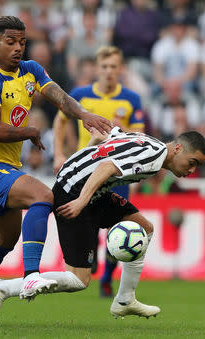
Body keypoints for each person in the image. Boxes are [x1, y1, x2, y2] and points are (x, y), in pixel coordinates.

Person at [0, 16, 112, 325]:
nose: (18, 48)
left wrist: (84, 114)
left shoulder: (31, 71)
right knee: (43, 196)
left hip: (6, 170)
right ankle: (31, 274)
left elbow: (59, 96)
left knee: (6, 240)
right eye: (11, 42)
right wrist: (30, 132)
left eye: (22, 42)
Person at [0, 128, 205, 325]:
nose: (191, 171)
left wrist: (93, 141)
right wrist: (81, 201)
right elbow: (107, 167)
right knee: (79, 280)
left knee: (145, 228)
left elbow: (114, 137)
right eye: (192, 163)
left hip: (92, 192)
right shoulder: (152, 156)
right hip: (74, 193)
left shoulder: (152, 144)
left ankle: (125, 299)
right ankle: (1, 289)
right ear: (178, 149)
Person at [53, 45, 145, 298]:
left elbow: (139, 137)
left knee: (119, 226)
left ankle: (107, 278)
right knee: (89, 220)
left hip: (119, 171)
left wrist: (122, 128)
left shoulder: (131, 99)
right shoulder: (81, 95)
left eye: (113, 67)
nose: (108, 72)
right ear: (96, 69)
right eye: (104, 67)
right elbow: (60, 121)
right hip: (88, 170)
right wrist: (59, 154)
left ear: (121, 69)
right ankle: (90, 263)